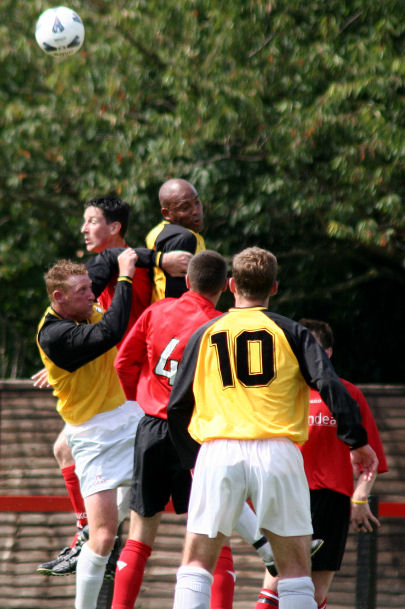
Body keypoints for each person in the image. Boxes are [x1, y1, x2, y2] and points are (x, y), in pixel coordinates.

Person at [166, 246, 378, 609]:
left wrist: (190, 459)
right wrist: (356, 440)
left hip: (218, 450)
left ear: (232, 285)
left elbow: (176, 406)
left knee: (197, 562)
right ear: (274, 288)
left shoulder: (205, 334)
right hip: (278, 452)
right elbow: (331, 386)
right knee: (295, 567)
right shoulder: (292, 332)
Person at [35, 194, 192, 577]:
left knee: (78, 454)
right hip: (114, 378)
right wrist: (66, 354)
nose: (85, 228)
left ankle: (87, 539)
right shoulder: (98, 273)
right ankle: (89, 537)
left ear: (114, 227)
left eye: (91, 221)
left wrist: (79, 351)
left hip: (131, 378)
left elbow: (119, 329)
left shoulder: (128, 274)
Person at [253, 319, 388, 609]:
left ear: (327, 353)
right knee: (276, 583)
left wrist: (361, 496)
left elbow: (371, 458)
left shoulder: (348, 394)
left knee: (315, 592)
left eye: (310, 346)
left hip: (332, 500)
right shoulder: (281, 392)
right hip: (289, 494)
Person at [36, 250, 144, 609]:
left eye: (88, 287)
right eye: (82, 290)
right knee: (103, 536)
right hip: (93, 436)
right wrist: (126, 277)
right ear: (59, 298)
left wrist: (157, 256)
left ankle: (264, 545)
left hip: (126, 416)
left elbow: (113, 255)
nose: (91, 294)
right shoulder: (55, 335)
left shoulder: (79, 300)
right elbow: (111, 331)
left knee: (195, 458)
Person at [146, 178, 205, 301]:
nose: (196, 211)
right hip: (176, 315)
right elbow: (178, 294)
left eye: (197, 202)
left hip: (158, 311)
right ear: (166, 213)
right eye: (185, 207)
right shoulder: (183, 238)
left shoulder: (156, 232)